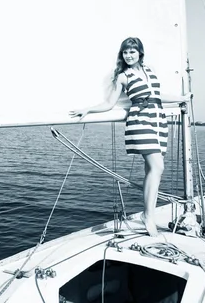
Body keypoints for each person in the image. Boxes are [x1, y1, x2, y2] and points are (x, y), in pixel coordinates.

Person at [69, 37, 190, 236]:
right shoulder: (123, 77)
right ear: (122, 55)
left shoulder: (149, 71)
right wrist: (88, 109)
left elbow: (157, 95)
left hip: (158, 119)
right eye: (125, 52)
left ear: (140, 53)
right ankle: (147, 216)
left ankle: (147, 213)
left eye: (132, 51)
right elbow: (109, 103)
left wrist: (181, 99)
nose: (129, 55)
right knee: (158, 166)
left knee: (153, 169)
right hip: (140, 121)